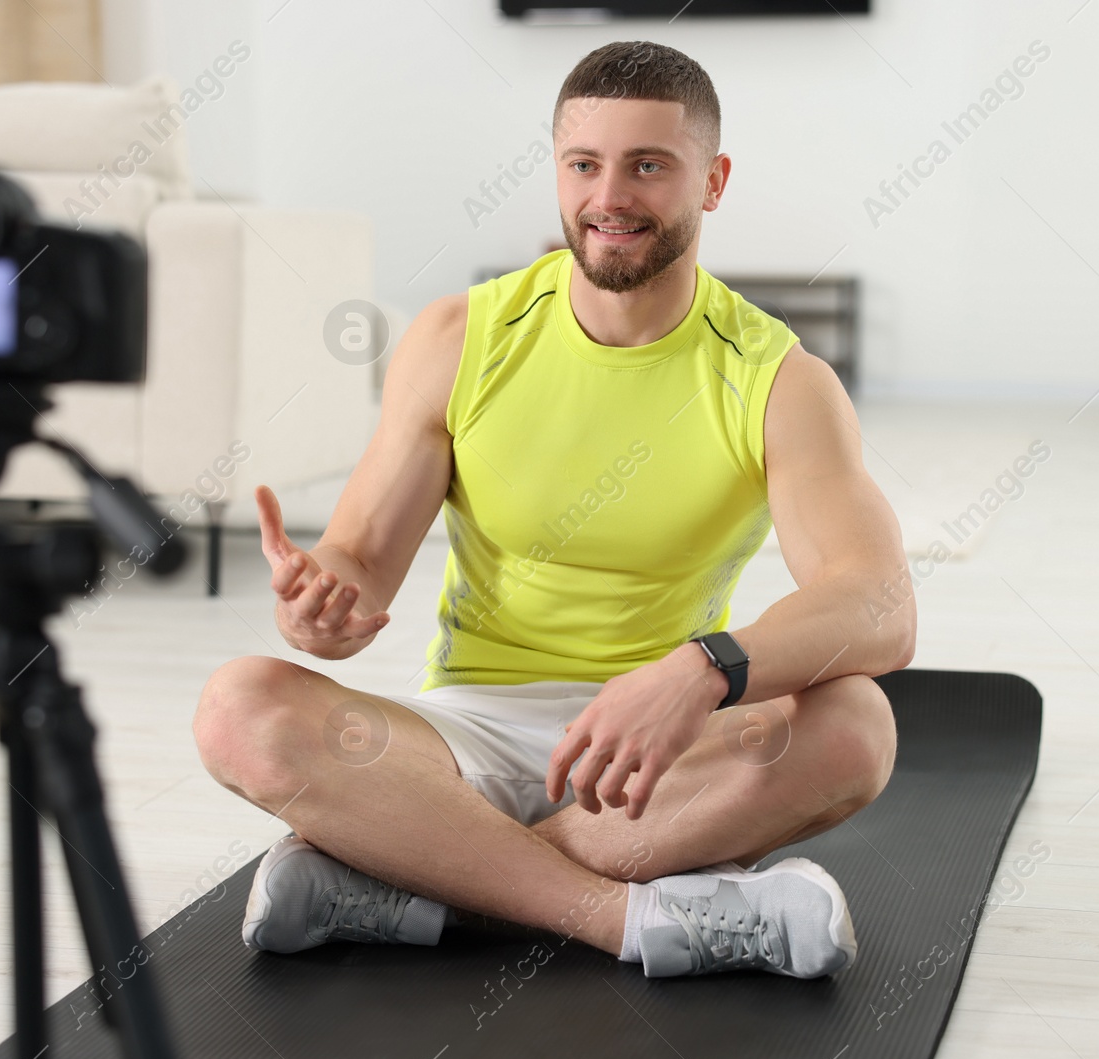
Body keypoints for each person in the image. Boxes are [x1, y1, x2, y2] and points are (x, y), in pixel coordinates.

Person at [193, 39, 912, 979]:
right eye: (584, 164)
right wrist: (322, 601)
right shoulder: (459, 337)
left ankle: (418, 877)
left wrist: (700, 671)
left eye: (648, 165)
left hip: (663, 749)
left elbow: (879, 605)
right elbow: (363, 559)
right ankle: (632, 919)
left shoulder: (779, 379)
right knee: (239, 707)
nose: (609, 196)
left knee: (857, 726)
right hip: (462, 737)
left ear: (714, 180)